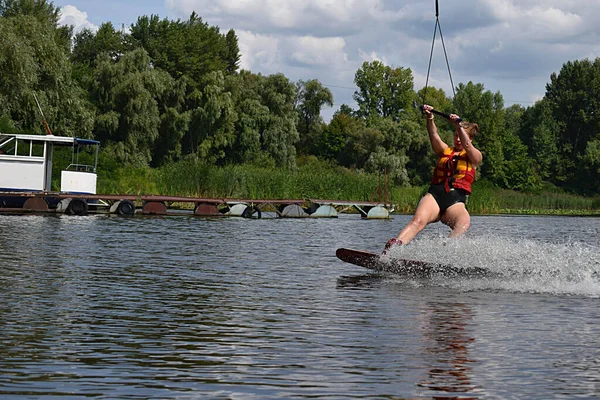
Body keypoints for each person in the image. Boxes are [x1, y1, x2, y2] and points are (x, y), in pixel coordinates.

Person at [384, 104, 482, 254]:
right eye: (455, 135)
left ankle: (445, 253)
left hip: (455, 202)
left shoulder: (475, 156)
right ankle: (393, 250)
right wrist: (430, 118)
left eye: (460, 135)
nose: (457, 139)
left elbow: (468, 147)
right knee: (417, 221)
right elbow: (434, 135)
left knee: (463, 224)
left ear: (469, 138)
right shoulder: (444, 150)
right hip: (435, 196)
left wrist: (459, 125)